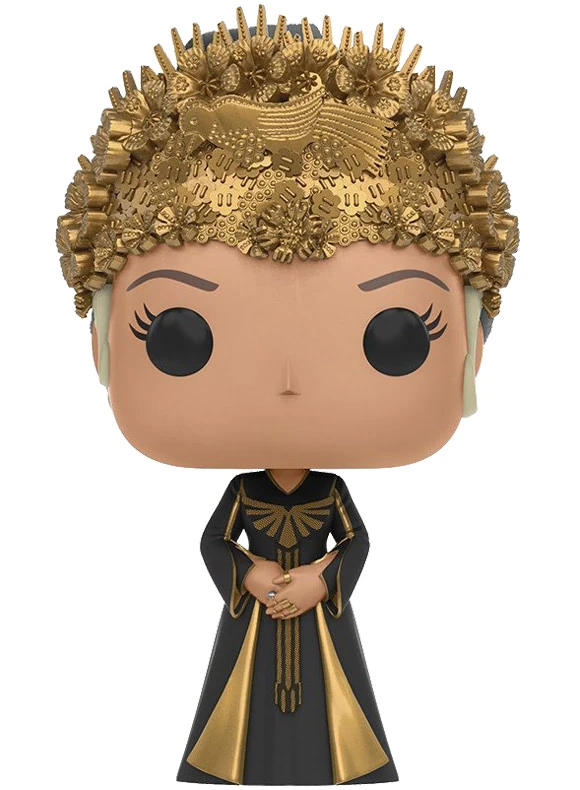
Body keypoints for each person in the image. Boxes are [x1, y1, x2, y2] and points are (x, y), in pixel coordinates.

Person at [55, 6, 519, 784]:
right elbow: (214, 542)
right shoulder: (246, 494)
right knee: (241, 703)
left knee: (334, 699)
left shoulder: (329, 495)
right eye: (176, 334)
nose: (289, 384)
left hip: (309, 609)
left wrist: (319, 580)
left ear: (472, 338)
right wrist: (250, 575)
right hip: (263, 610)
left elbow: (356, 545)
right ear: (101, 337)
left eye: (398, 334)